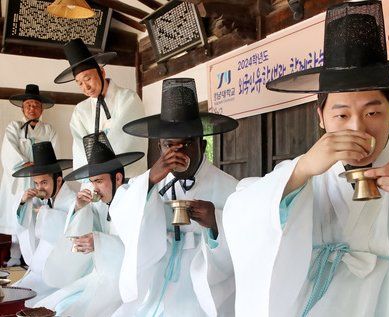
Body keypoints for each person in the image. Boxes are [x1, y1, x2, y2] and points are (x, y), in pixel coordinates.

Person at [223, 1, 389, 316]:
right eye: (341, 114)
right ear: (321, 117)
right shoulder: (304, 172)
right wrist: (300, 173)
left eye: (372, 112)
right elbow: (240, 213)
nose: (357, 127)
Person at [111, 78, 239, 317]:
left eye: (187, 144)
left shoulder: (230, 187)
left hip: (200, 281)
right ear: (161, 147)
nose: (177, 153)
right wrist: (149, 180)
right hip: (160, 273)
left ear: (202, 145)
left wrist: (215, 223)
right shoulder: (153, 180)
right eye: (170, 145)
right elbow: (120, 215)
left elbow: (247, 240)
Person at [36, 132, 144, 317]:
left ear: (117, 178)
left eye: (99, 181)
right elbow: (79, 231)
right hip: (99, 276)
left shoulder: (134, 201)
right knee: (54, 305)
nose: (95, 188)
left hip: (124, 283)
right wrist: (79, 207)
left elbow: (140, 249)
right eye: (92, 182)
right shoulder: (99, 205)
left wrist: (100, 243)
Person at [54, 38, 148, 178]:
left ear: (102, 73)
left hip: (128, 178)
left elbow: (127, 140)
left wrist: (102, 167)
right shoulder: (80, 110)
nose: (86, 87)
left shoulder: (128, 98)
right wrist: (92, 177)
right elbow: (80, 147)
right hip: (96, 180)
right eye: (79, 83)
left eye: (88, 79)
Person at [0, 84, 57, 267]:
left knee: (39, 216)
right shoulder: (14, 127)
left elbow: (53, 153)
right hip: (18, 179)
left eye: (36, 105)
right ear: (23, 107)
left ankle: (38, 257)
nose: (32, 109)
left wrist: (42, 168)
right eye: (29, 105)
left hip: (40, 179)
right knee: (19, 213)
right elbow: (8, 150)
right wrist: (24, 164)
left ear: (41, 109)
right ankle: (15, 255)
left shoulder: (49, 130)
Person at [11, 142, 74, 306]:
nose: (40, 188)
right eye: (37, 183)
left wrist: (46, 215)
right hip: (41, 267)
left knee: (28, 300)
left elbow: (69, 231)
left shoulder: (73, 201)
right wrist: (24, 202)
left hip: (59, 272)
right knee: (15, 291)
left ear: (58, 180)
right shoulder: (48, 200)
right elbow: (24, 224)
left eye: (44, 182)